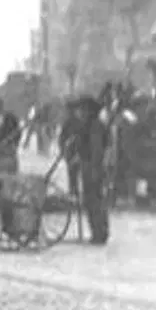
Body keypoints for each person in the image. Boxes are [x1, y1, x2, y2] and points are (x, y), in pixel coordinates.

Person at [70, 96, 110, 245]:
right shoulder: (89, 125)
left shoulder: (94, 126)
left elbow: (96, 150)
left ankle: (99, 233)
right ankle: (98, 232)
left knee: (94, 201)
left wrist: (93, 168)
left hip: (93, 169)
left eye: (82, 109)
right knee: (92, 201)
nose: (79, 112)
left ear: (88, 111)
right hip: (90, 167)